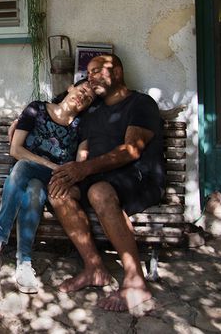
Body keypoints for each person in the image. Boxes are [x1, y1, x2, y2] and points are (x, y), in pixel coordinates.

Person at [47, 54, 163, 314]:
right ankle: (94, 268)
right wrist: (23, 120)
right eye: (89, 73)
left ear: (118, 73)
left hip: (138, 177)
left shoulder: (140, 103)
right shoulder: (94, 110)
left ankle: (135, 282)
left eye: (99, 70)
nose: (91, 76)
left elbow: (131, 150)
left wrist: (84, 168)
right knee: (58, 191)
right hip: (99, 177)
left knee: (99, 193)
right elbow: (58, 102)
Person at [0, 79, 96, 293]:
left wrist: (64, 173)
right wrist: (50, 164)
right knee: (32, 185)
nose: (83, 96)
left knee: (27, 169)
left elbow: (79, 164)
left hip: (53, 180)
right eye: (82, 90)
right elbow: (15, 149)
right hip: (28, 173)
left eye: (88, 98)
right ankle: (23, 261)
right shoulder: (37, 109)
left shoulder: (83, 127)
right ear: (71, 88)